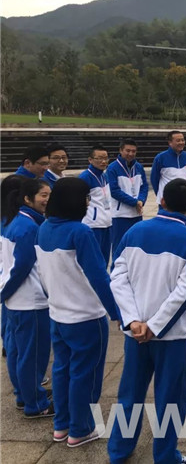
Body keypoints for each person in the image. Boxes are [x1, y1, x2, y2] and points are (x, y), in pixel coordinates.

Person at [108, 179, 186, 464]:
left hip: (136, 334)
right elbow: (183, 293)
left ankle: (118, 451)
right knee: (170, 399)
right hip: (172, 336)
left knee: (130, 394)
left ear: (161, 201)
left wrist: (133, 321)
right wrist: (155, 326)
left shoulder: (135, 231)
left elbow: (117, 277)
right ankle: (165, 457)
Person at [35, 177, 120, 448]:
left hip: (58, 314)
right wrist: (118, 313)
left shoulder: (44, 228)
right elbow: (99, 276)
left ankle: (61, 426)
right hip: (85, 316)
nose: (87, 203)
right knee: (86, 374)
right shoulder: (80, 232)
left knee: (62, 371)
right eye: (86, 198)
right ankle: (80, 429)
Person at [1, 179, 53, 418]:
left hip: (18, 301)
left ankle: (25, 395)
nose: (48, 199)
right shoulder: (29, 227)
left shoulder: (16, 221)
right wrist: (4, 292)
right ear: (27, 199)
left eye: (50, 194)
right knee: (32, 355)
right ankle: (35, 403)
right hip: (30, 300)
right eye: (43, 195)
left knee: (18, 351)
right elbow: (21, 267)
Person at [1, 175, 28, 359]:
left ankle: (8, 344)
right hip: (13, 281)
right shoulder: (18, 222)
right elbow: (22, 263)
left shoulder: (7, 217)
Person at [106, 139, 148, 257]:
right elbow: (114, 191)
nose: (130, 154)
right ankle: (116, 268)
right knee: (119, 246)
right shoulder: (112, 168)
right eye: (127, 151)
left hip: (136, 214)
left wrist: (141, 201)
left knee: (136, 244)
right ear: (121, 150)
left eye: (133, 151)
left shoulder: (138, 167)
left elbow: (144, 186)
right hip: (120, 215)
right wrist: (135, 202)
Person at [79, 145, 112, 265]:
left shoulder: (104, 175)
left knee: (105, 258)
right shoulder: (85, 177)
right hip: (93, 225)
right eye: (99, 158)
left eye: (105, 158)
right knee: (94, 258)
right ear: (90, 160)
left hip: (107, 223)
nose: (103, 161)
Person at [151, 130, 186, 204]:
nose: (181, 143)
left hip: (184, 201)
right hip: (166, 201)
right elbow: (154, 179)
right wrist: (160, 195)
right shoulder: (160, 158)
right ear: (170, 142)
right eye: (178, 140)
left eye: (182, 140)